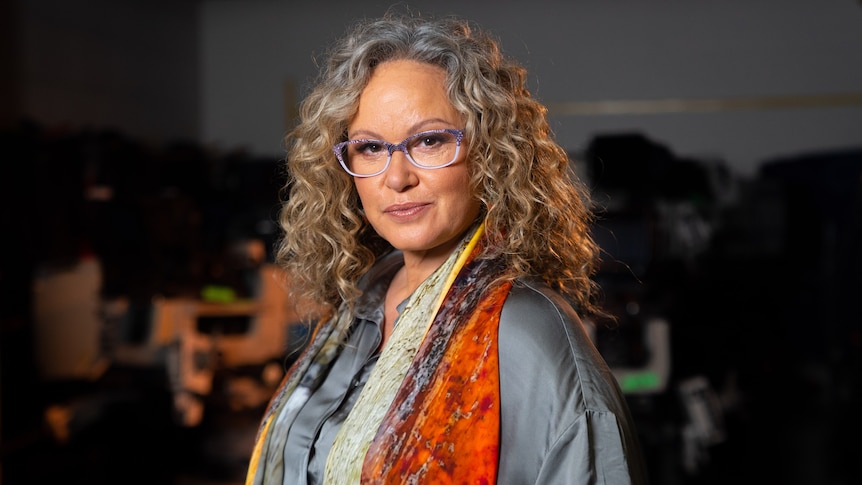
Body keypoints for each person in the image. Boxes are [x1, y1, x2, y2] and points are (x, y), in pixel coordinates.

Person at [245, 12, 648, 485]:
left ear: (492, 152)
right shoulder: (357, 307)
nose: (397, 178)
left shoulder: (524, 332)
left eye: (430, 140)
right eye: (370, 148)